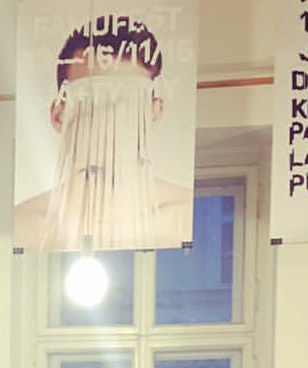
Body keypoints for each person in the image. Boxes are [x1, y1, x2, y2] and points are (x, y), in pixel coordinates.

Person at [13, 15, 191, 252]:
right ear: (58, 115)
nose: (109, 118)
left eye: (128, 101)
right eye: (90, 100)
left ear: (154, 111)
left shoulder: (184, 216)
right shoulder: (22, 227)